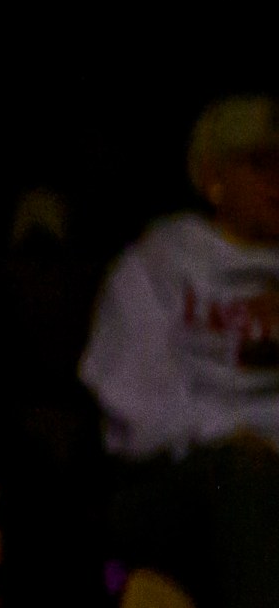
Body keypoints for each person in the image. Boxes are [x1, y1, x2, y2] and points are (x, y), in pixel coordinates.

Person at [78, 92, 279, 608]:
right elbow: (137, 412)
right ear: (213, 176)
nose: (278, 181)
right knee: (243, 480)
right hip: (178, 481)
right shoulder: (160, 264)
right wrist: (235, 439)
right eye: (261, 165)